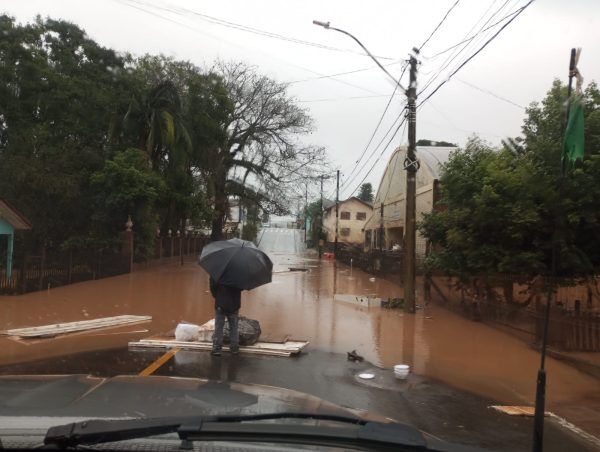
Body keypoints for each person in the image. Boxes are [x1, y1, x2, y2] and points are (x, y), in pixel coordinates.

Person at [209, 276, 241, 356]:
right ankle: (234, 349)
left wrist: (218, 296)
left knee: (219, 327)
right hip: (234, 304)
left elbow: (213, 287)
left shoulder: (217, 271)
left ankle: (217, 349)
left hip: (221, 303)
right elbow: (241, 287)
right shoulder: (240, 272)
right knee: (234, 327)